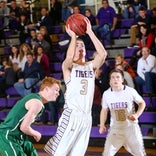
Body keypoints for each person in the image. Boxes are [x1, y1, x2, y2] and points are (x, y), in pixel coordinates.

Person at [44, 18, 107, 155]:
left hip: (86, 118)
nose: (80, 47)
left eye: (82, 46)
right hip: (71, 115)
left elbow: (103, 54)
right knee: (59, 153)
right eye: (77, 45)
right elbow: (69, 58)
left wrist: (89, 31)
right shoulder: (69, 67)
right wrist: (73, 37)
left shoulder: (91, 66)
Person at [0, 76, 61, 155]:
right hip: (9, 135)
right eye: (56, 90)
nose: (58, 93)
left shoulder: (35, 98)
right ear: (46, 89)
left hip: (20, 137)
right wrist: (36, 133)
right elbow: (24, 127)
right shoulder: (37, 103)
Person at [99, 68, 146, 156]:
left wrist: (137, 114)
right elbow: (104, 110)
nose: (115, 79)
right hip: (115, 129)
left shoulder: (130, 91)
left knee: (140, 154)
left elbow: (142, 103)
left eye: (117, 77)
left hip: (131, 128)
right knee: (107, 153)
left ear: (122, 80)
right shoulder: (106, 94)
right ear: (110, 81)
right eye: (112, 77)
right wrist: (102, 125)